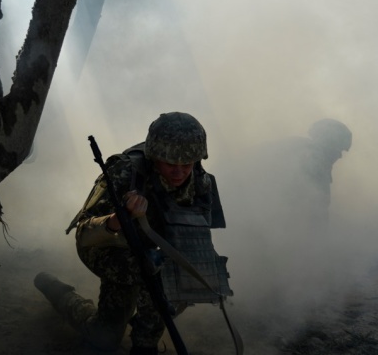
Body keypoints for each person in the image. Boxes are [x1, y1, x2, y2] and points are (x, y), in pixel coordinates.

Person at [35, 112, 231, 355]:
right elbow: (84, 234)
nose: (179, 172)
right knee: (104, 339)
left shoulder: (201, 182)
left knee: (163, 286)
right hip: (109, 248)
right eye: (171, 164)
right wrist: (119, 219)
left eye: (187, 165)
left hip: (153, 257)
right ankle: (57, 291)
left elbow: (197, 237)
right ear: (155, 156)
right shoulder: (125, 173)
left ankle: (145, 342)